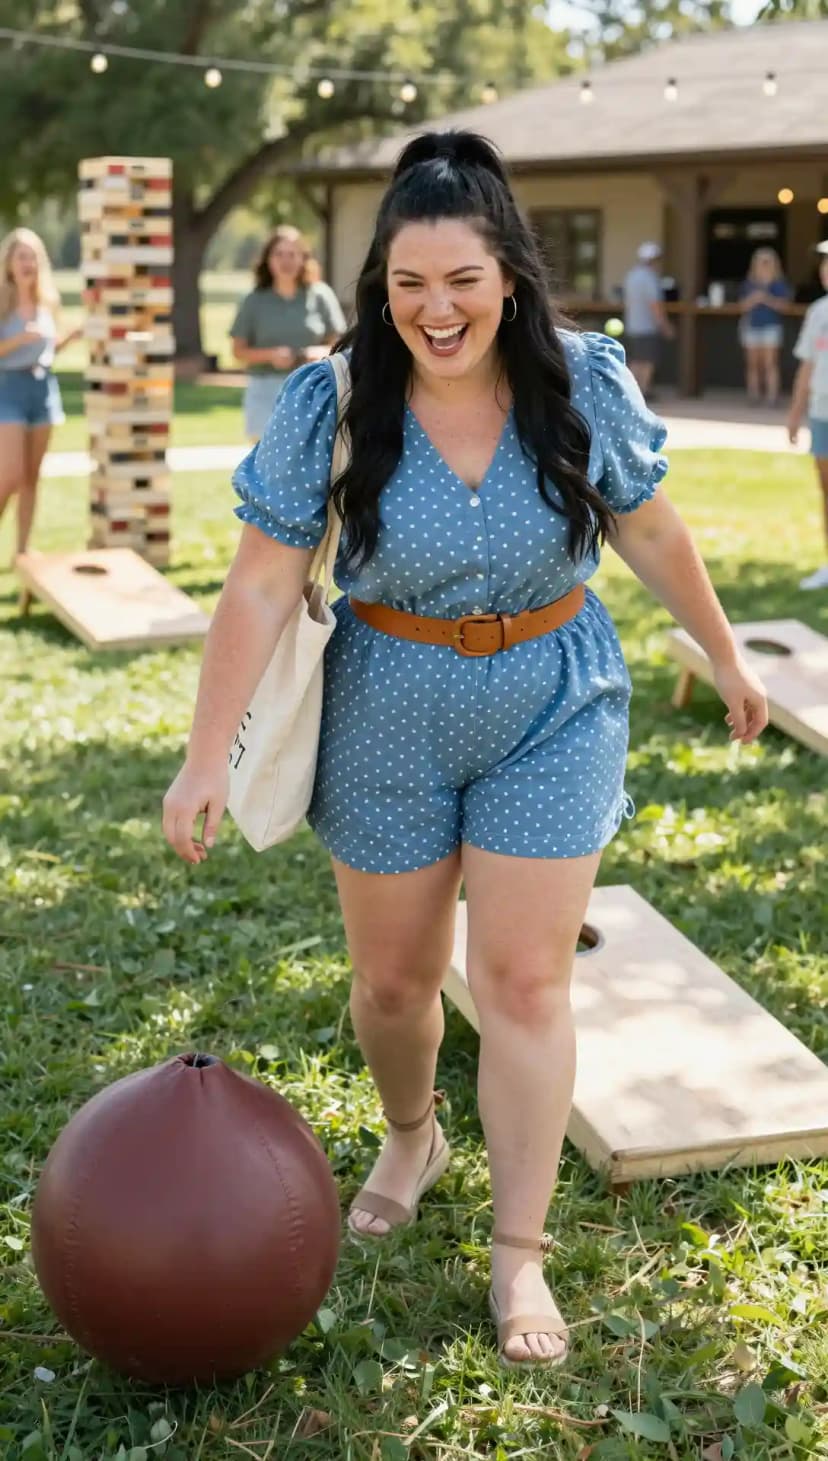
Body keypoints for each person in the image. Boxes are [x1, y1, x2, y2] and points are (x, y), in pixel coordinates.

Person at [163, 131, 768, 1369]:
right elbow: (262, 585)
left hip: (554, 700)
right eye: (408, 284)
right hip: (386, 703)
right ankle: (412, 1133)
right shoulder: (336, 401)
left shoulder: (580, 382)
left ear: (510, 277)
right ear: (380, 285)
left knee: (526, 985)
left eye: (461, 281)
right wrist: (203, 754)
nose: (435, 310)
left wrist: (724, 651)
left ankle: (518, 1251)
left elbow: (649, 530)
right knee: (393, 986)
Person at [0, 228, 79, 558]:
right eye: (21, 256)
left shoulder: (48, 302)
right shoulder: (2, 303)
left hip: (43, 389)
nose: (28, 263)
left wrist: (70, 338)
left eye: (33, 257)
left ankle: (22, 552)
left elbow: (47, 348)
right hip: (8, 388)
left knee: (32, 477)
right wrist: (18, 340)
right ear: (9, 263)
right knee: (10, 475)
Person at [230, 225, 346, 441]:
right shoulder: (253, 300)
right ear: (268, 260)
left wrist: (319, 353)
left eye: (292, 254)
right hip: (264, 390)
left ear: (303, 259)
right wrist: (271, 355)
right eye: (279, 254)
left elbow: (341, 345)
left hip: (313, 388)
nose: (286, 261)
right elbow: (238, 351)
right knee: (265, 457)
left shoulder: (321, 295)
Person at [787, 240, 828, 591]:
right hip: (821, 411)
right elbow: (807, 365)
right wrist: (795, 413)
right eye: (824, 262)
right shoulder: (818, 312)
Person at [738, 248, 791, 406]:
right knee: (753, 364)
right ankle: (753, 395)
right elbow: (742, 307)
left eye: (768, 263)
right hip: (752, 326)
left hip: (771, 327)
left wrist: (767, 299)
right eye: (761, 262)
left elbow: (785, 307)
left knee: (770, 363)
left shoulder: (779, 284)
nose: (764, 266)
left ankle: (772, 397)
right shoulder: (749, 284)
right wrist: (754, 299)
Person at [622, 241, 674, 398]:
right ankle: (642, 392)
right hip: (647, 326)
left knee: (635, 359)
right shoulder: (650, 278)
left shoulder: (631, 275)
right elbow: (655, 304)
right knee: (647, 360)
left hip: (632, 325)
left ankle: (630, 392)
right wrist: (665, 325)